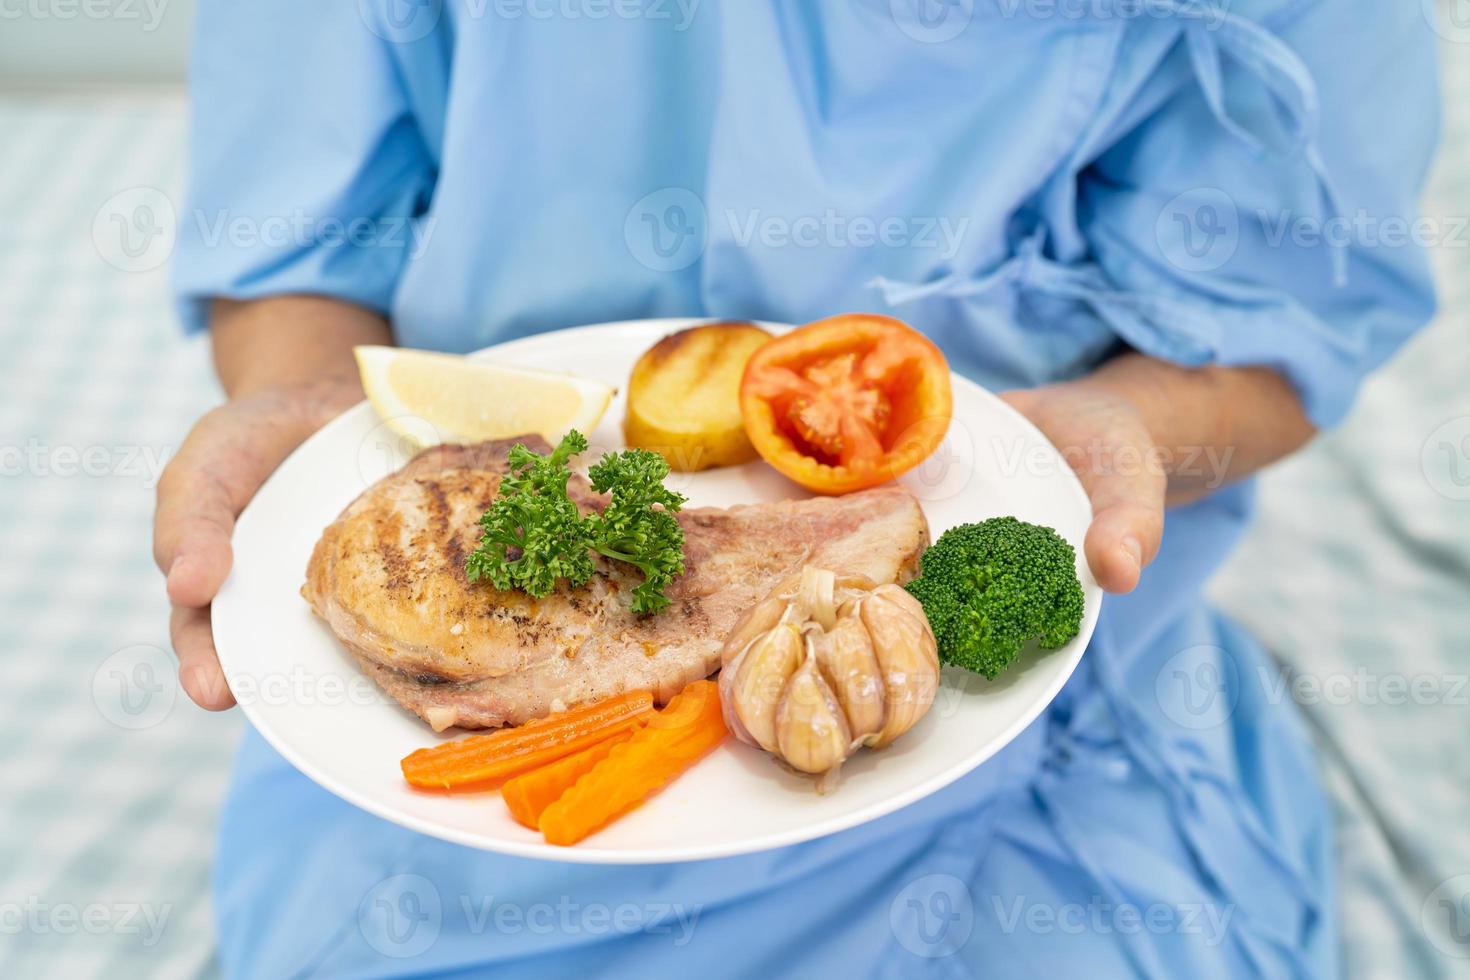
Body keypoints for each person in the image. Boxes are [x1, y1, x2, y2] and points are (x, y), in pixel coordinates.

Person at [156, 2, 1438, 976]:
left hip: (1019, 738)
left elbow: (1287, 313)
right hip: (428, 825)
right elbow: (303, 243)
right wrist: (310, 404)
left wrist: (1142, 425)